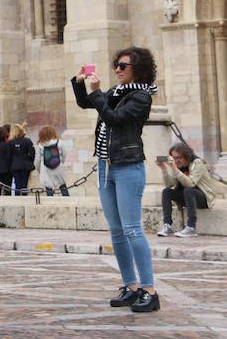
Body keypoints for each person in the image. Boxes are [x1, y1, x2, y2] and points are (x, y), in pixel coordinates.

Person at [72, 46, 161, 313]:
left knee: (132, 228)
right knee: (117, 232)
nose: (118, 70)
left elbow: (114, 118)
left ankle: (149, 290)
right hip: (105, 167)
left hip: (127, 167)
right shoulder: (115, 92)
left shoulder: (141, 97)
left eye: (123, 66)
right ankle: (130, 286)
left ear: (138, 69)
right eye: (116, 65)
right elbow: (86, 103)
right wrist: (80, 84)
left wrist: (98, 93)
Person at [156, 143, 217, 238]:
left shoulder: (198, 163)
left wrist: (175, 168)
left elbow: (191, 183)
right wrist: (163, 168)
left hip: (203, 199)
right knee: (166, 191)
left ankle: (191, 227)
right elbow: (169, 184)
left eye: (179, 158)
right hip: (186, 198)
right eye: (174, 158)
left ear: (186, 156)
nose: (176, 160)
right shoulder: (176, 165)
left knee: (189, 190)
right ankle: (167, 226)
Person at [35, 125, 69, 196]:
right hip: (58, 167)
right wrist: (61, 162)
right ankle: (67, 200)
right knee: (62, 185)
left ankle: (50, 201)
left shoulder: (40, 145)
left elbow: (37, 160)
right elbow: (65, 154)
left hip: (45, 168)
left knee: (48, 187)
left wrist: (39, 170)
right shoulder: (60, 142)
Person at [8, 123, 35, 196]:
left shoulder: (10, 143)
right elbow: (32, 154)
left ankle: (17, 201)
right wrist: (29, 161)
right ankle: (24, 200)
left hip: (15, 166)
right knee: (24, 185)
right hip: (25, 165)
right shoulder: (27, 141)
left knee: (17, 185)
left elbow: (9, 156)